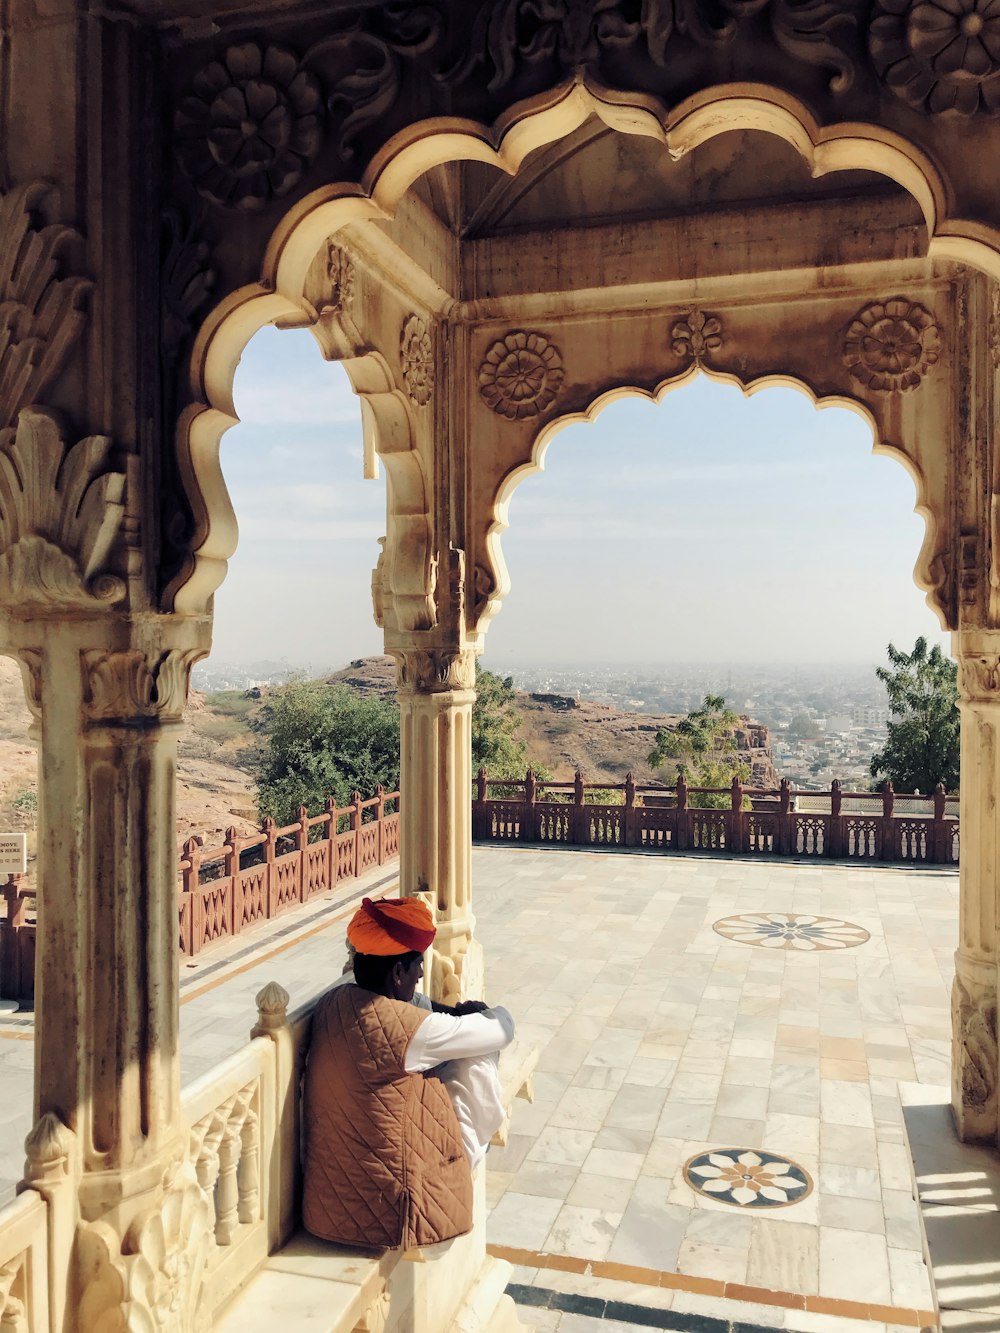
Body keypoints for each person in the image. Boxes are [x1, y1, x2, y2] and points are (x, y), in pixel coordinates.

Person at [302, 895, 515, 1252]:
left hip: (330, 1203)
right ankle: (468, 1161)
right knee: (476, 1057)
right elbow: (502, 1030)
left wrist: (450, 1013)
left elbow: (417, 1006)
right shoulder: (410, 1033)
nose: (420, 975)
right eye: (416, 966)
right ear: (398, 972)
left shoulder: (336, 1002)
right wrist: (487, 1012)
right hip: (390, 1210)